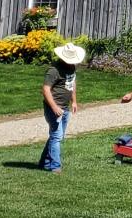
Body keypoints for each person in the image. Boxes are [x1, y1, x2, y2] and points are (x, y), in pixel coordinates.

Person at [39, 42, 85, 173]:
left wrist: (74, 101)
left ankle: (44, 162)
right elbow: (46, 89)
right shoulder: (53, 71)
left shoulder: (71, 68)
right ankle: (55, 166)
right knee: (56, 136)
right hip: (54, 108)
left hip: (65, 108)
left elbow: (72, 83)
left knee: (57, 136)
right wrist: (54, 107)